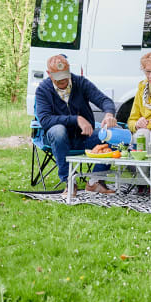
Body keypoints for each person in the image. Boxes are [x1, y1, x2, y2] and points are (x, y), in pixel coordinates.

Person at [36, 54, 118, 196]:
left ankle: (95, 181)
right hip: (58, 139)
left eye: (65, 75)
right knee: (58, 131)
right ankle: (69, 182)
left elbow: (104, 100)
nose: (62, 80)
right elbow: (45, 120)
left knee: (114, 135)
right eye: (58, 76)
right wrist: (76, 119)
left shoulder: (80, 82)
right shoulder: (43, 89)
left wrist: (109, 114)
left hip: (84, 137)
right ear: (49, 74)